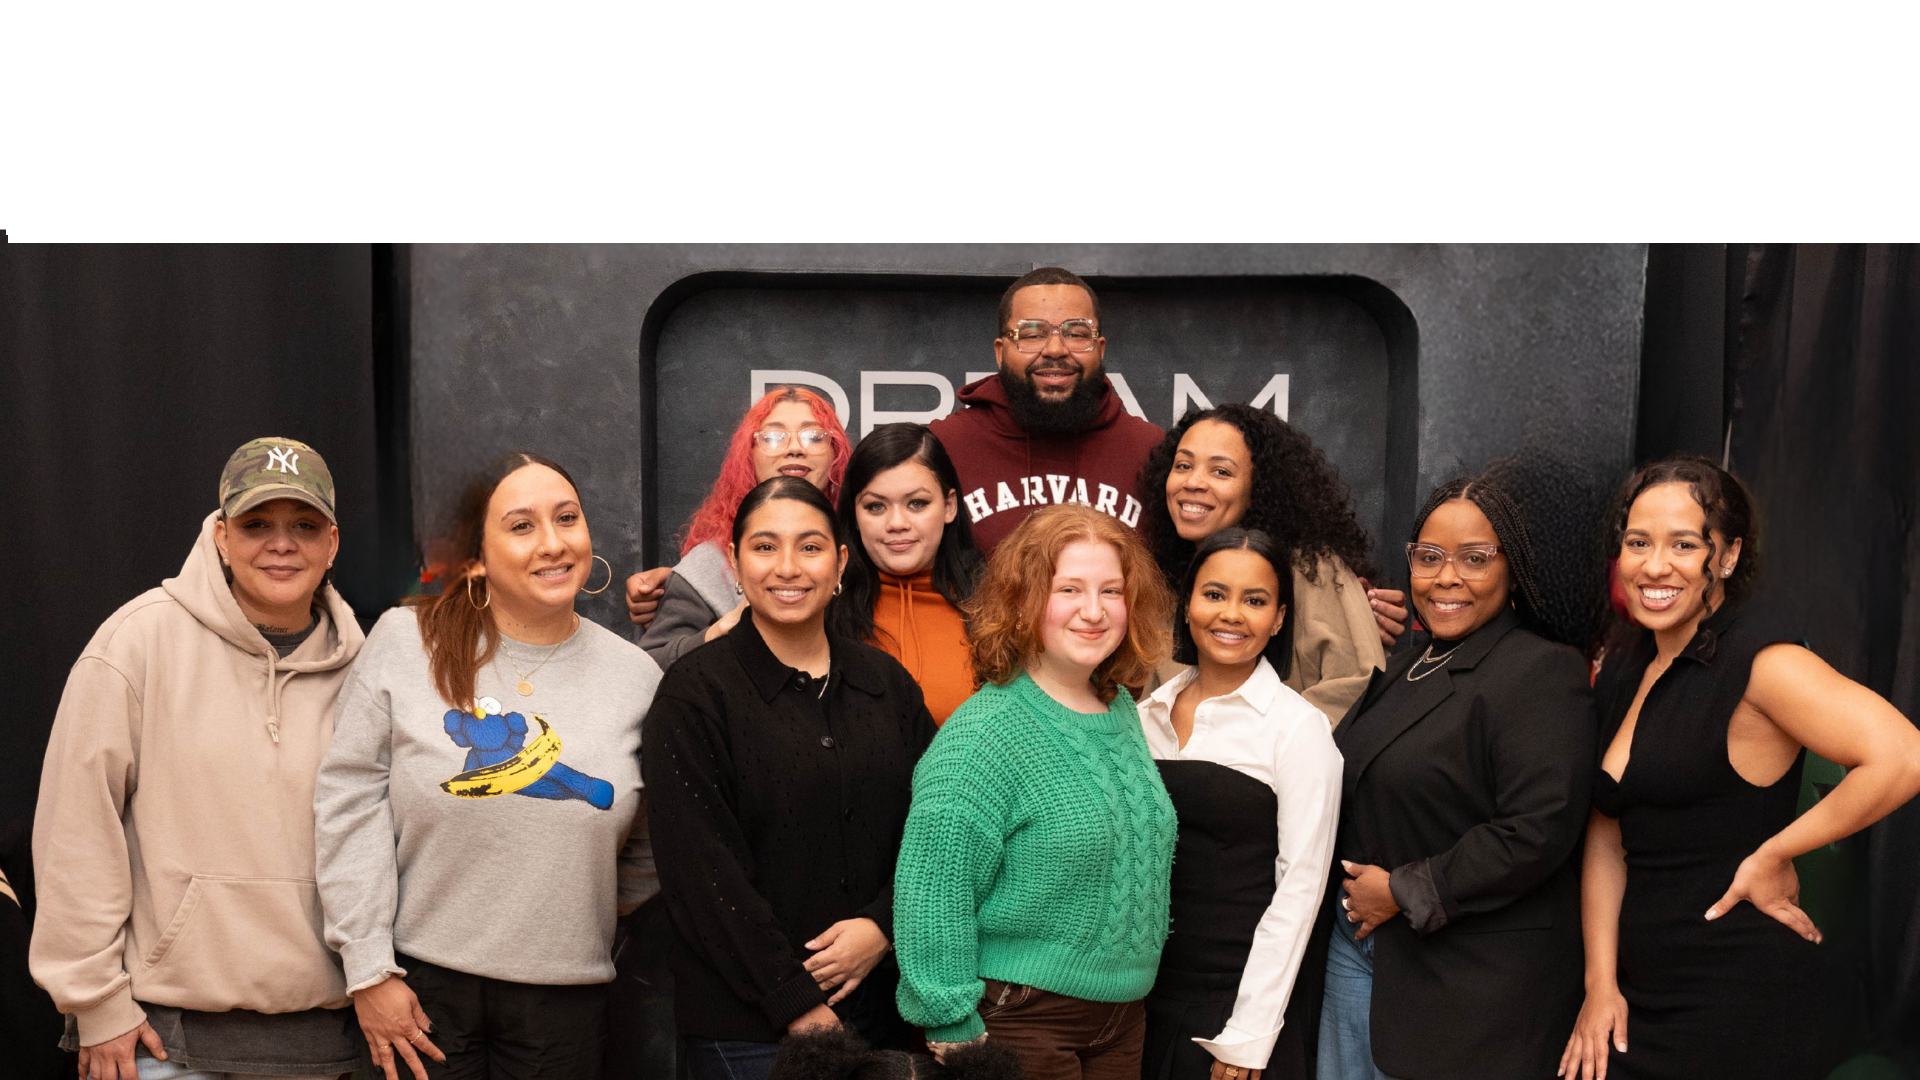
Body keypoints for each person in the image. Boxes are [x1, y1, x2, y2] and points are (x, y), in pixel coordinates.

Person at [1559, 457, 1920, 1080]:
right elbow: (1606, 832)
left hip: (1737, 1000)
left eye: (1684, 544)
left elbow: (1903, 756)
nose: (1655, 565)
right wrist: (1600, 984)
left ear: (1725, 557)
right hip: (1635, 998)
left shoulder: (1763, 661)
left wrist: (1775, 854)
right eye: (1638, 543)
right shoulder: (1626, 663)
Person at [315, 451, 662, 1080]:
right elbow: (348, 805)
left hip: (567, 1002)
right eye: (522, 526)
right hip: (417, 992)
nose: (553, 544)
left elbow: (650, 845)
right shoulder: (405, 641)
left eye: (568, 518)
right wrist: (367, 969)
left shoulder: (637, 678)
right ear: (476, 556)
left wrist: (568, 900)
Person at [31, 437, 367, 1080]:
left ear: (332, 544)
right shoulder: (136, 643)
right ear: (219, 535)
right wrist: (95, 1003)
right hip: (162, 1043)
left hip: (328, 1043)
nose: (281, 542)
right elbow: (76, 830)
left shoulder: (370, 668)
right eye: (256, 524)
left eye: (303, 525)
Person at [643, 476, 938, 1080]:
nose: (787, 568)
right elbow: (702, 873)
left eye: (809, 547)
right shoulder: (694, 695)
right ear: (734, 561)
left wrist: (883, 926)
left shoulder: (887, 684)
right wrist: (793, 998)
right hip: (748, 1031)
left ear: (840, 562)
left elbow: (933, 833)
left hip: (878, 1013)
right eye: (764, 546)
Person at [1322, 477, 1594, 1080]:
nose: (1447, 578)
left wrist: (1402, 891)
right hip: (1361, 955)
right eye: (1429, 557)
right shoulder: (1408, 665)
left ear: (1513, 569)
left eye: (1475, 559)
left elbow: (1537, 828)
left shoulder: (1539, 672)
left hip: (1467, 983)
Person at [894, 503, 1178, 1080]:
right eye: (1069, 589)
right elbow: (932, 890)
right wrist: (950, 1025)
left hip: (1123, 1018)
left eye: (1112, 591)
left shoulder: (1119, 705)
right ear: (1024, 599)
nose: (1094, 612)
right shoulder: (984, 734)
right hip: (1020, 1018)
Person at [1137, 528, 1342, 1080]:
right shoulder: (1143, 716)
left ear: (1278, 619)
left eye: (1255, 601)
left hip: (1232, 1010)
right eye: (1214, 594)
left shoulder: (1298, 729)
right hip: (1134, 1005)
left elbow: (1300, 890)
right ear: (1186, 605)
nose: (1231, 614)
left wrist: (1248, 1035)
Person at [1141, 404, 1388, 722]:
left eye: (1221, 471)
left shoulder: (1310, 570)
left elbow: (1356, 686)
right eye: (1183, 466)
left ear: (1258, 487)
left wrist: (1265, 749)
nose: (1193, 482)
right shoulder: (1168, 582)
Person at [927, 267, 1165, 554]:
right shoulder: (945, 445)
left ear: (1099, 349)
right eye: (1032, 334)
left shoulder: (1149, 449)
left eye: (1076, 333)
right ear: (1001, 352)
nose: (1055, 349)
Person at [629, 387, 852, 668]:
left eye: (813, 437)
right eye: (772, 437)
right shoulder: (709, 564)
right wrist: (717, 633)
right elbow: (646, 668)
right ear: (748, 455)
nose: (795, 448)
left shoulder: (866, 546)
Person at [832, 422, 984, 724]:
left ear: (949, 506)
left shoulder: (1000, 610)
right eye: (876, 507)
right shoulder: (820, 611)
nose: (897, 523)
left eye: (917, 503)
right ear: (854, 515)